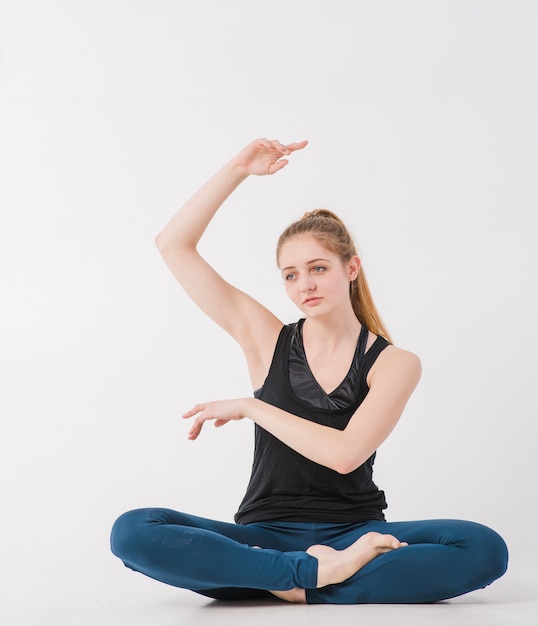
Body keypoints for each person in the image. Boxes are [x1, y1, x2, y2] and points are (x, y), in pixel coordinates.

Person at [110, 138, 508, 604]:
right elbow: (173, 245)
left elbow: (344, 455)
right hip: (264, 536)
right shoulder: (268, 339)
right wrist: (237, 169)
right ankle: (310, 575)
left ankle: (283, 582)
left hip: (354, 533)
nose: (305, 285)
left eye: (318, 268)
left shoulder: (395, 363)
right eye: (291, 274)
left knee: (482, 547)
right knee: (133, 530)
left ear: (351, 268)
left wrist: (252, 406)